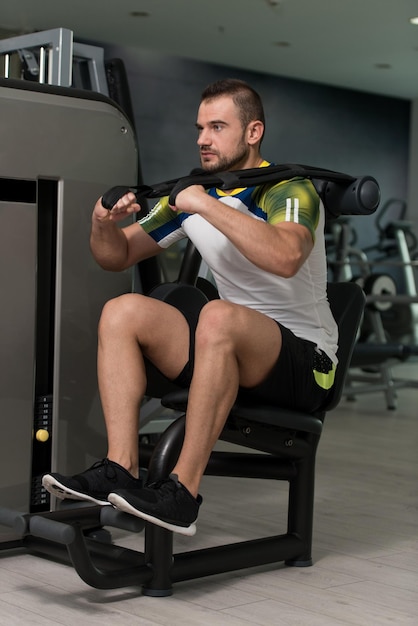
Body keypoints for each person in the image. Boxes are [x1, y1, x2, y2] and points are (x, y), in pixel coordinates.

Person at [42, 78, 338, 536]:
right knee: (122, 309)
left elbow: (285, 256)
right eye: (200, 128)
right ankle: (119, 468)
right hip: (231, 350)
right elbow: (115, 255)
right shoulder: (193, 194)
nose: (203, 139)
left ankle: (182, 492)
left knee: (217, 315)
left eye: (218, 127)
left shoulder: (289, 188)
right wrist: (101, 222)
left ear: (253, 131)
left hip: (303, 360)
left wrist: (203, 202)